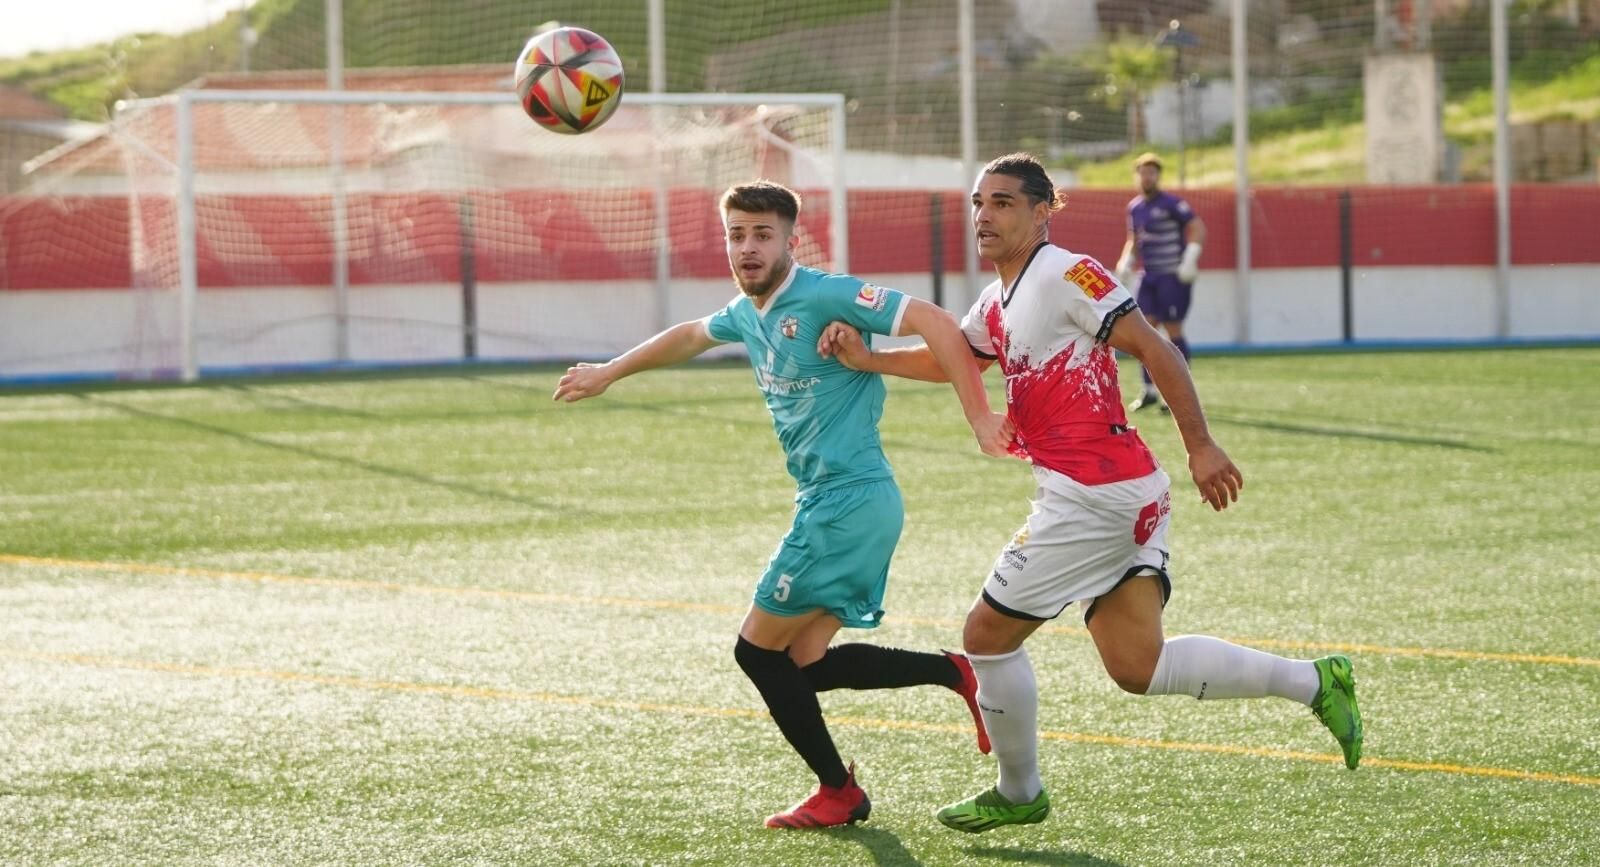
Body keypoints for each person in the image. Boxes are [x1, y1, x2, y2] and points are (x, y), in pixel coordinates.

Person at [818, 153, 1362, 834]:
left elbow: (1155, 347)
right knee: (1138, 665)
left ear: (1043, 211)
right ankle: (1316, 681)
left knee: (985, 635)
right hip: (1122, 492)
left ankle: (1019, 791)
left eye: (1004, 202)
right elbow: (955, 357)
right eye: (979, 202)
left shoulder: (1065, 272)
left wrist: (1200, 443)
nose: (985, 215)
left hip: (1092, 496)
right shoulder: (998, 297)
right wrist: (869, 358)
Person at [553, 180, 1014, 829]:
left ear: (790, 240)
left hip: (846, 504)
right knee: (805, 662)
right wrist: (608, 371)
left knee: (755, 652)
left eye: (762, 234)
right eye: (736, 235)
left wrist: (980, 416)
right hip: (840, 503)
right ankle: (956, 674)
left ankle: (839, 791)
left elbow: (937, 323)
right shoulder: (750, 312)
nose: (747, 247)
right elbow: (690, 335)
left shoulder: (824, 294)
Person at [1115, 152, 1207, 413]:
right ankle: (1150, 390)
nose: (1147, 177)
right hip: (1149, 277)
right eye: (1143, 173)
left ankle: (1179, 393)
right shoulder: (1135, 207)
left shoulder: (1172, 204)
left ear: (1158, 176)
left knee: (1173, 330)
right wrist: (1126, 261)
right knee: (1143, 332)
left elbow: (1197, 228)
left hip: (1172, 276)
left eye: (1152, 173)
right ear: (1137, 176)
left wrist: (1190, 258)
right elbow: (1134, 239)